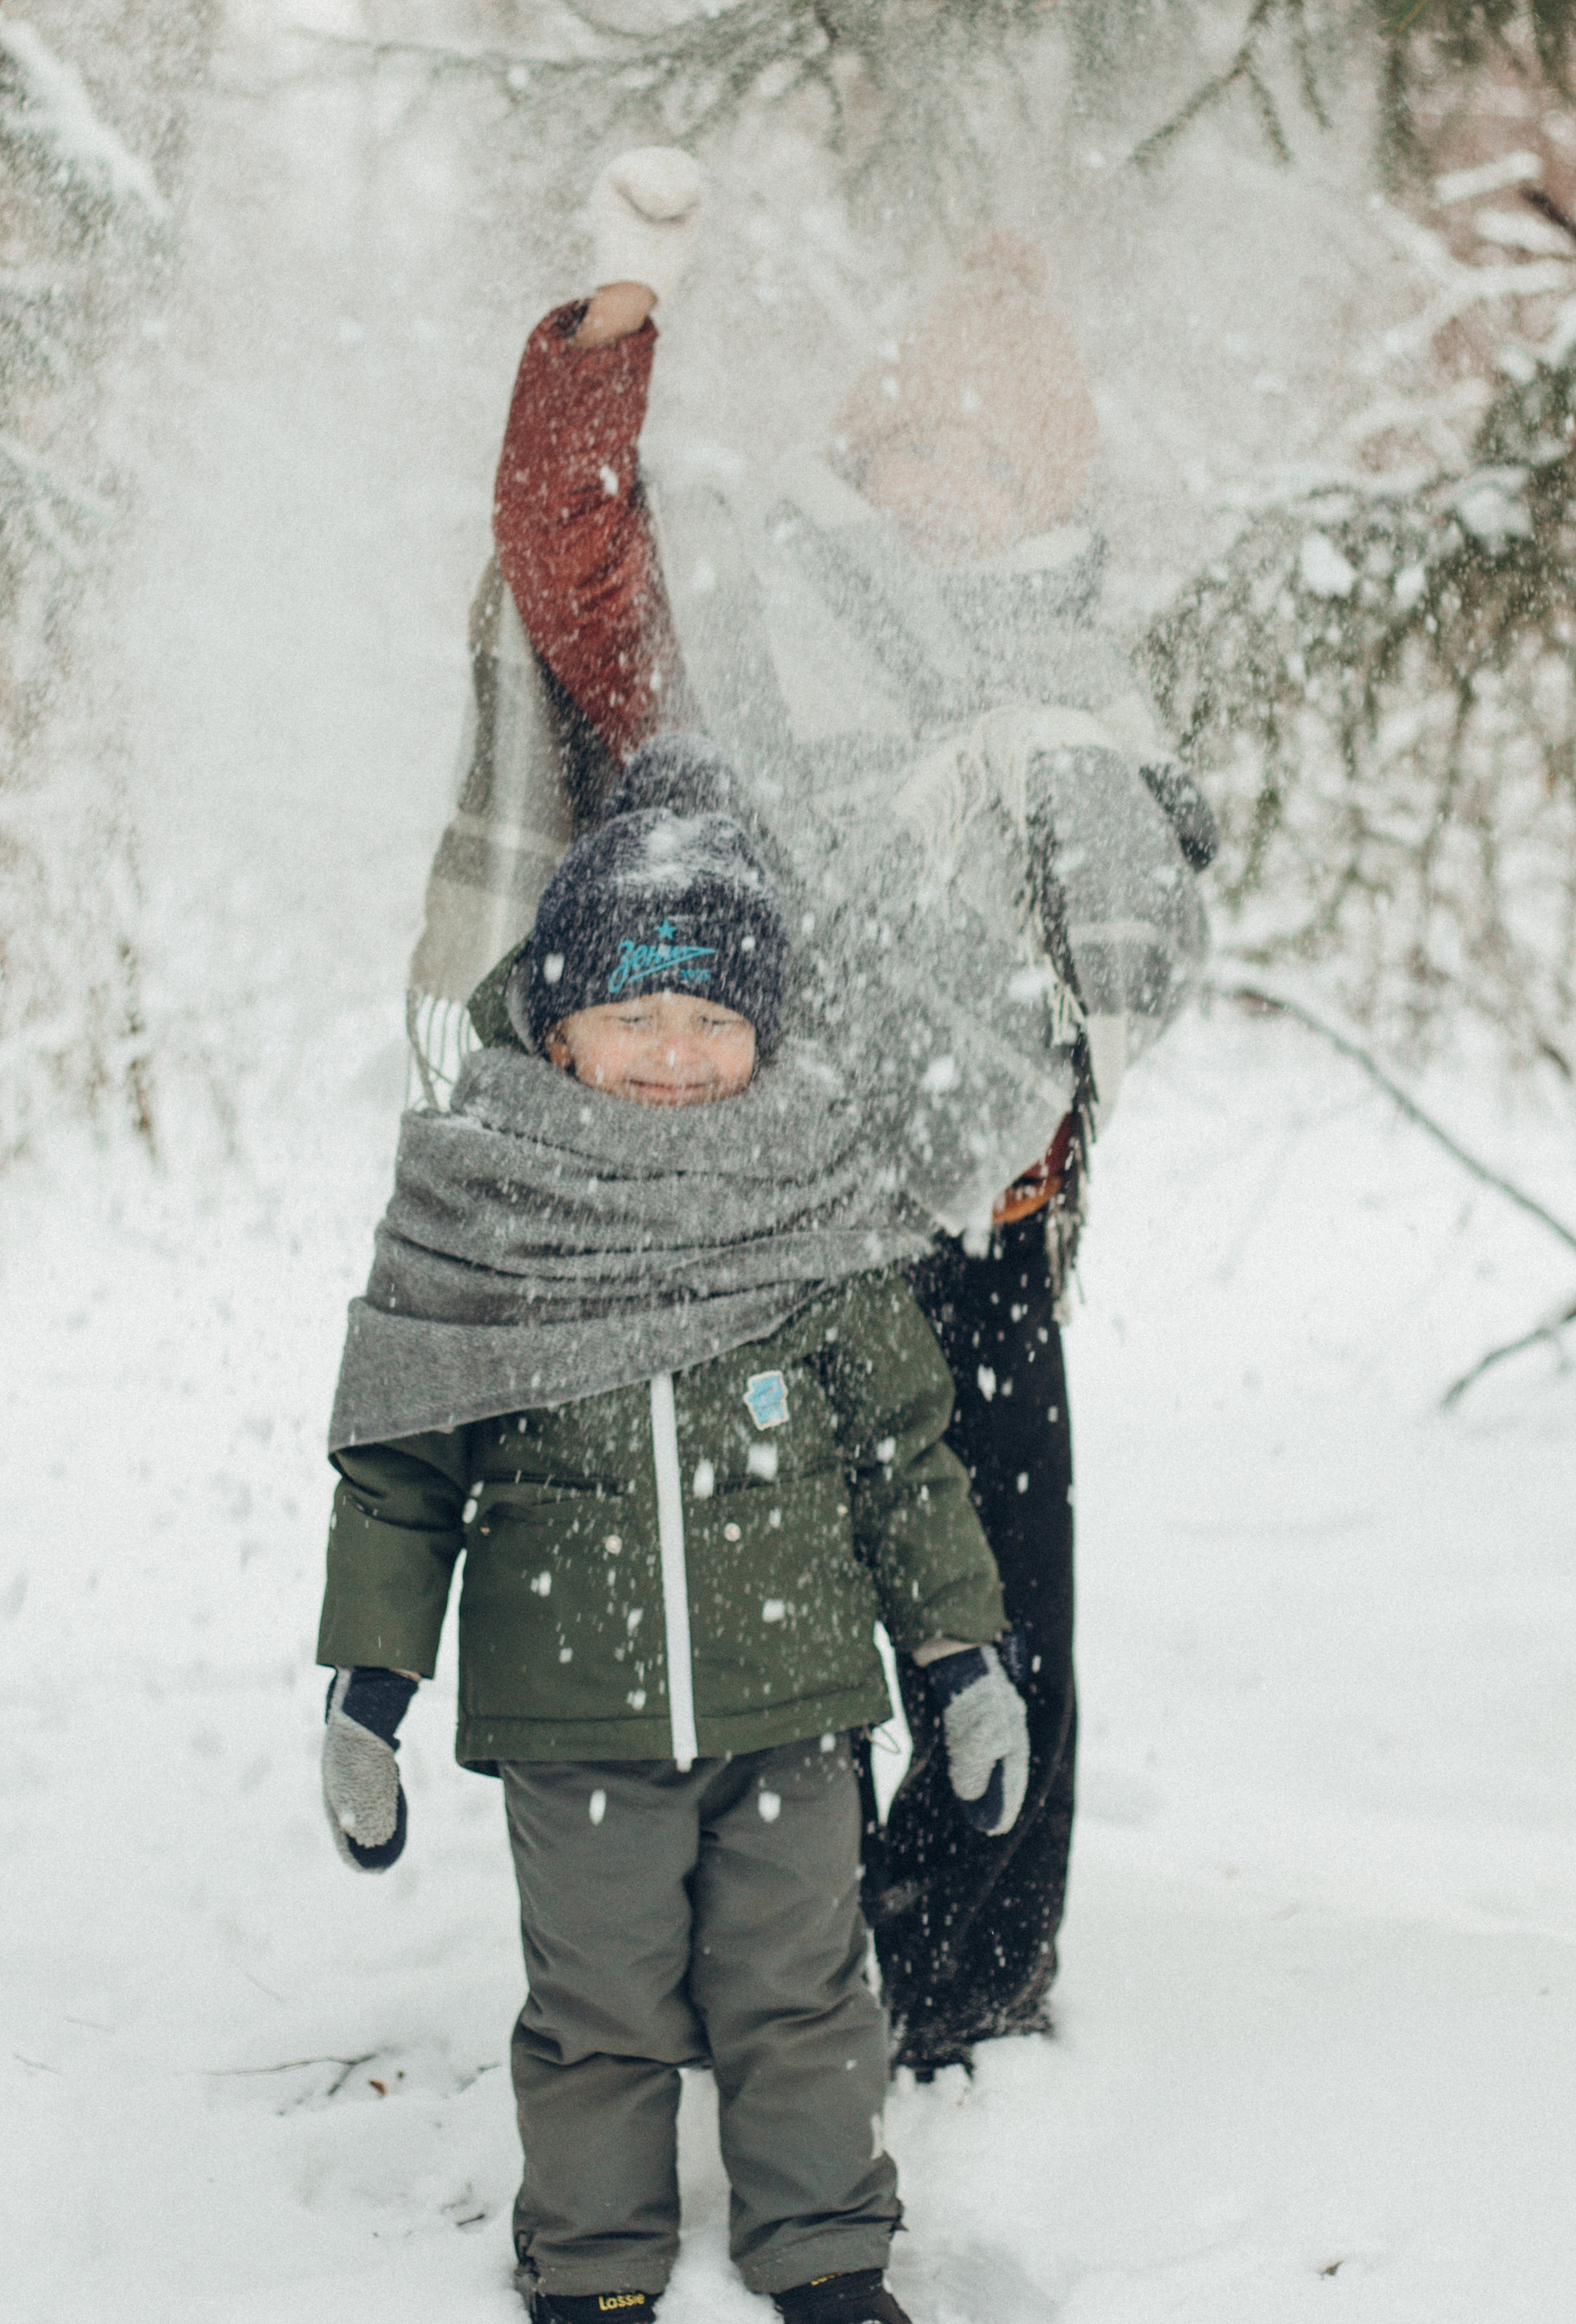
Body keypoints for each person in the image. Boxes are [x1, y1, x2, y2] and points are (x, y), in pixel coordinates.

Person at [407, 149, 1214, 2074]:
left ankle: (965, 1992)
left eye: (990, 463)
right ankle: (765, 1978)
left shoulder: (1083, 688)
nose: (944, 486)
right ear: (863, 453)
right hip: (755, 1225)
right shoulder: (748, 619)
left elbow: (1130, 944)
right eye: (913, 445)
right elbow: (566, 548)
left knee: (1000, 1617)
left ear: (1052, 498)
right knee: (769, 1623)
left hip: (976, 1237)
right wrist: (617, 318)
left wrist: (1037, 1071)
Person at [317, 771, 1030, 2324]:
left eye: (714, 1018)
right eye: (636, 1014)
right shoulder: (488, 1209)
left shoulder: (814, 1199)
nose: (676, 1052)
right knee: (600, 2012)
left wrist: (961, 1654)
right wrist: (369, 1689)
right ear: (560, 1028)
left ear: (764, 1036)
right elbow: (404, 1472)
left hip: (795, 1711)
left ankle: (830, 2266)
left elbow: (906, 1458)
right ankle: (594, 2271)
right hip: (576, 1726)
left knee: (803, 1997)